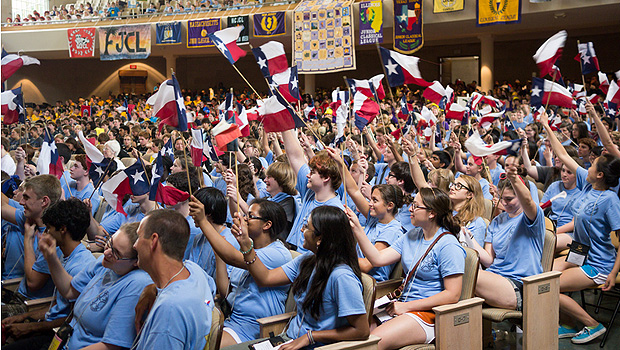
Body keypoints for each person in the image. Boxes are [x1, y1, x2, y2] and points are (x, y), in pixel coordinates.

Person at [230, 206, 369, 349]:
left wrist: (311, 336)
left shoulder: (342, 277)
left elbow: (362, 330)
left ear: (319, 239)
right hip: (289, 339)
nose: (301, 230)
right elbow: (265, 278)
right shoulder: (307, 260)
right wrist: (247, 246)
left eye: (306, 227)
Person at [346, 187, 464, 349]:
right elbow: (378, 258)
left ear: (432, 213)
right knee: (357, 335)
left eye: (416, 206)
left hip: (429, 315)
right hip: (402, 305)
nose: (410, 209)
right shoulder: (412, 235)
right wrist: (357, 229)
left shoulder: (448, 245)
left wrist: (407, 306)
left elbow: (453, 295)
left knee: (371, 344)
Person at [541, 106, 620, 344]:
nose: (589, 165)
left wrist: (614, 273)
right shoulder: (588, 186)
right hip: (580, 251)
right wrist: (546, 126)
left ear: (600, 175)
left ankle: (593, 325)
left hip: (599, 262)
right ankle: (567, 323)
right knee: (542, 275)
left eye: (594, 165)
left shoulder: (611, 199)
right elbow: (564, 155)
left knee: (549, 286)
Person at [188, 196, 292, 346]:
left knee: (204, 345)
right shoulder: (247, 250)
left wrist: (203, 221)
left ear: (267, 225)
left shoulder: (277, 253)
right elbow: (226, 292)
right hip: (233, 320)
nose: (244, 219)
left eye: (250, 216)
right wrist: (219, 255)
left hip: (256, 327)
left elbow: (234, 258)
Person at [37, 222, 153, 349]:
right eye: (109, 243)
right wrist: (51, 257)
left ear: (136, 262)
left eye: (116, 253)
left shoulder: (137, 284)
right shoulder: (105, 264)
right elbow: (69, 291)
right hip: (67, 340)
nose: (107, 252)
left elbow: (111, 346)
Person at [1, 198, 95, 350]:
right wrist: (24, 317)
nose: (46, 233)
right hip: (47, 325)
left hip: (57, 334)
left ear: (62, 229)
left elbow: (72, 317)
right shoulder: (67, 257)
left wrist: (30, 327)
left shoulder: (81, 266)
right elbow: (58, 308)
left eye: (49, 228)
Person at [467, 161, 545, 312]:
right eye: (501, 198)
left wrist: (515, 179)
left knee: (462, 275)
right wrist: (468, 239)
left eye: (509, 199)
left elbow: (528, 201)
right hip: (496, 278)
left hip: (520, 285)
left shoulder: (531, 217)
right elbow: (489, 260)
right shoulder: (497, 221)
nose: (503, 203)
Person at [133, 209, 214, 350]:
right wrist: (152, 288)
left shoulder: (169, 311)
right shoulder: (194, 271)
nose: (135, 245)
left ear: (154, 241)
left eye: (138, 237)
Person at [327, 148, 403, 282]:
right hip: (353, 273)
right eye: (371, 199)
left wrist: (337, 254)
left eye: (375, 200)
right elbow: (354, 191)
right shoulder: (375, 217)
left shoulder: (392, 230)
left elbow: (367, 265)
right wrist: (339, 162)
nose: (370, 203)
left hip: (369, 282)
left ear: (389, 206)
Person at [1, 175, 63, 318]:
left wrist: (28, 240)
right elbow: (2, 206)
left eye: (27, 198)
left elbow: (33, 283)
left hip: (30, 306)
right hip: (15, 294)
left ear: (44, 201)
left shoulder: (53, 238)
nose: (21, 202)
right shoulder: (30, 218)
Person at [280, 130, 343, 252]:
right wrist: (284, 124)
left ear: (326, 178)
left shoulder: (335, 210)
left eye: (313, 173)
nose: (308, 175)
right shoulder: (310, 191)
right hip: (291, 251)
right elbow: (295, 156)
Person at [186, 187, 239, 280]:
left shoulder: (230, 240)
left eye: (195, 210)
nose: (190, 214)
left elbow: (225, 284)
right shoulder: (198, 238)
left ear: (209, 212)